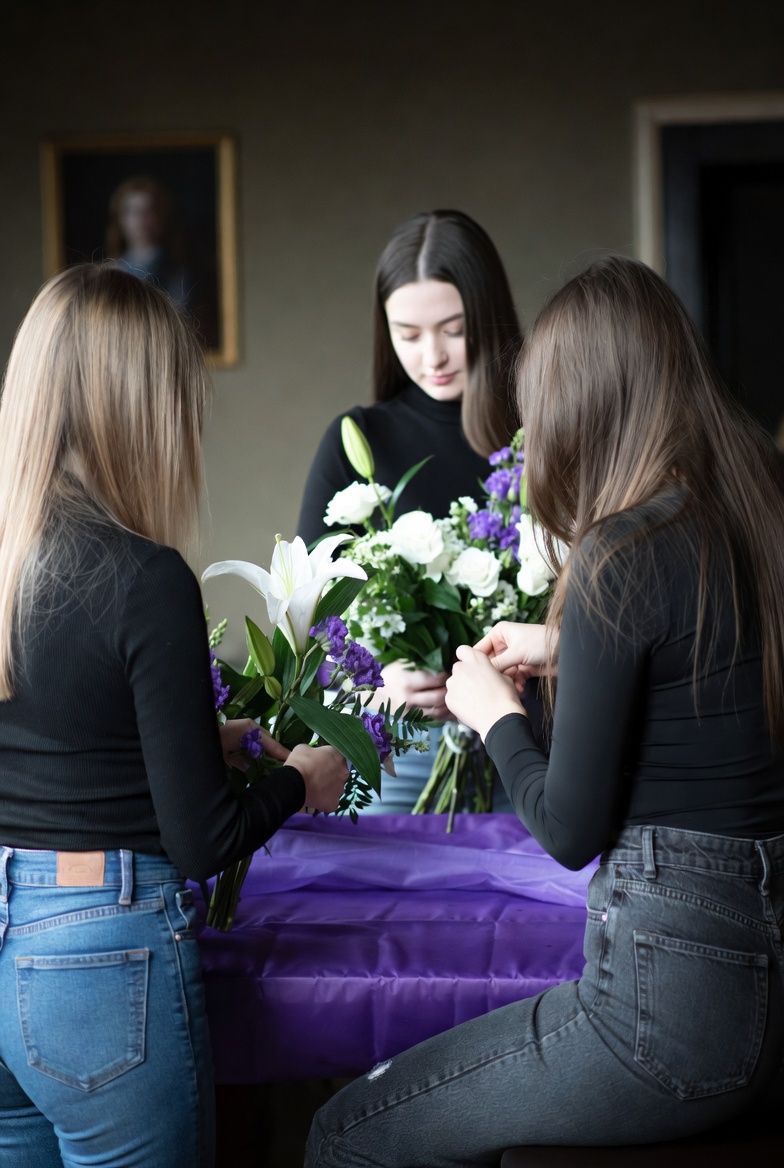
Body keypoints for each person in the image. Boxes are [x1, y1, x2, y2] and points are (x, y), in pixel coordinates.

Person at [305, 255, 784, 1166]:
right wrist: (576, 649)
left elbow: (569, 828)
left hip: (670, 1016)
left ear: (582, 399)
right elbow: (713, 664)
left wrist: (494, 715)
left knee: (347, 1134)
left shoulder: (623, 547)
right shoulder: (756, 506)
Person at [0, 264, 347, 1168]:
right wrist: (298, 781)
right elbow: (201, 839)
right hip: (96, 953)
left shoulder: (9, 564)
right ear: (141, 406)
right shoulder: (143, 575)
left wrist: (200, 741)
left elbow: (57, 736)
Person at [297, 209, 522, 810]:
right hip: (400, 756)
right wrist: (374, 687)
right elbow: (312, 611)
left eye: (453, 328)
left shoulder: (540, 435)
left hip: (528, 749)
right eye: (409, 334)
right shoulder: (359, 437)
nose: (433, 356)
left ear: (488, 316)